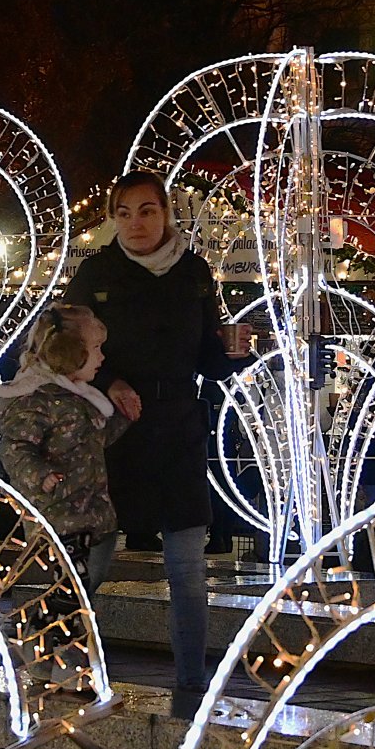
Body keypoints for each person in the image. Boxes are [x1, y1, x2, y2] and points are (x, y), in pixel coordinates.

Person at [64, 172, 249, 717]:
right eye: (124, 212)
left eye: (147, 211)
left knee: (187, 570)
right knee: (89, 559)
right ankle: (63, 664)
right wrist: (109, 381)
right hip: (111, 430)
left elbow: (208, 364)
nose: (136, 223)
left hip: (176, 429)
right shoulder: (97, 273)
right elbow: (62, 352)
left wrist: (233, 353)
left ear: (166, 214)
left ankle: (192, 684)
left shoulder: (192, 272)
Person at [0, 305, 128, 592]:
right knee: (69, 592)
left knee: (81, 590)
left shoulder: (78, 398)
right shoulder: (35, 400)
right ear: (71, 352)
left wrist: (122, 420)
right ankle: (58, 634)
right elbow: (16, 448)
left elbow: (93, 439)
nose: (102, 357)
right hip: (59, 514)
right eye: (95, 348)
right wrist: (40, 474)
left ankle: (73, 634)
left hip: (89, 511)